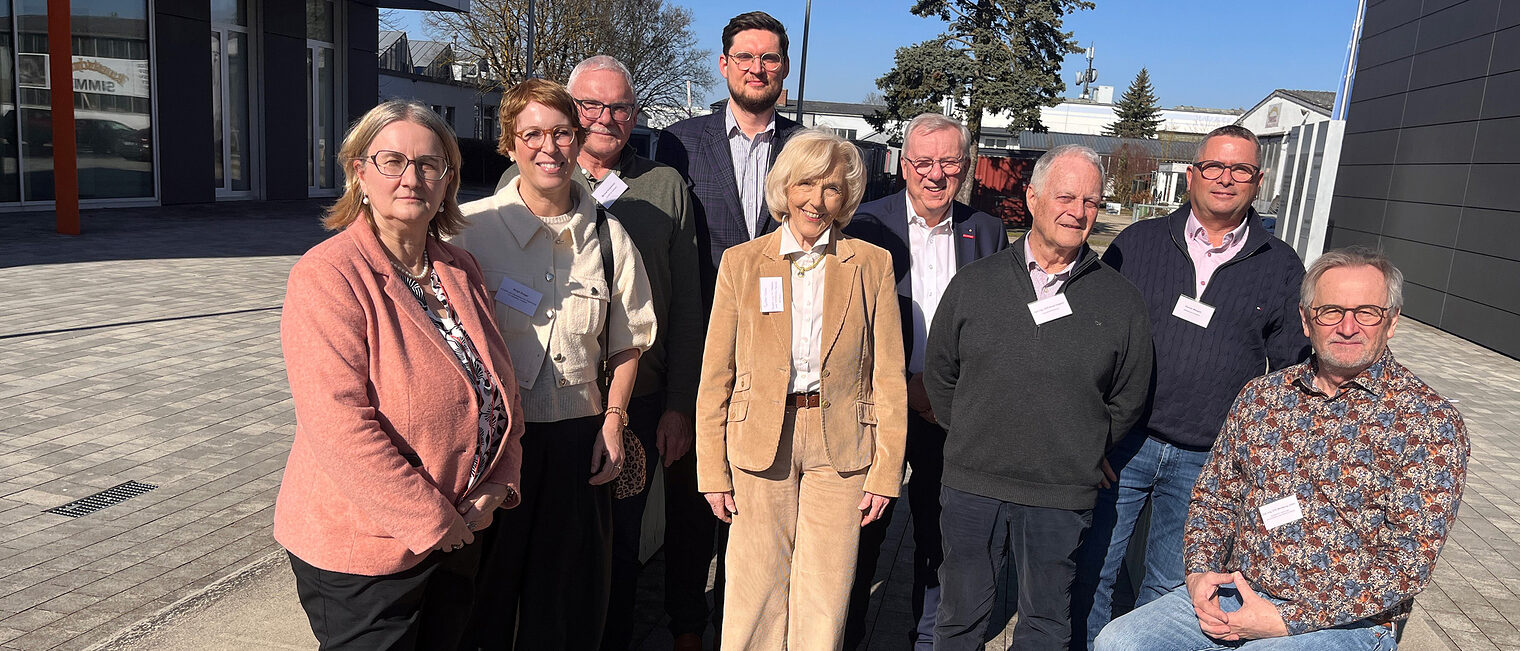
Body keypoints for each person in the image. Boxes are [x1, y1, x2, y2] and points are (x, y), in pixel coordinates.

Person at [1095, 246, 1469, 651]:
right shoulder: (1264, 396)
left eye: (1366, 312)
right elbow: (1214, 496)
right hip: (1239, 591)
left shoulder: (1428, 422)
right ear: (1306, 321)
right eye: (1331, 311)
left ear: (1391, 321)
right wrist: (1201, 572)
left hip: (1347, 622)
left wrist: (1285, 620)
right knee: (1120, 640)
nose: (1347, 326)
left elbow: (1408, 560)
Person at [274, 99, 524, 650]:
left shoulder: (458, 267)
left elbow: (501, 389)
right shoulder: (328, 275)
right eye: (392, 161)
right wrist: (435, 521)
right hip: (368, 547)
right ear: (359, 173)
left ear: (448, 182)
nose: (412, 178)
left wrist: (500, 482)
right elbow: (339, 427)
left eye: (430, 164)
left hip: (461, 530)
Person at [494, 55, 703, 651]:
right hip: (538, 401)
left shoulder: (665, 188)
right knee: (530, 548)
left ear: (635, 115)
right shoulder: (521, 182)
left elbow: (688, 307)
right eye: (590, 105)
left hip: (635, 400)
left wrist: (678, 406)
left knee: (614, 550)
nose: (605, 118)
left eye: (619, 107)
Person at [1074, 124, 1311, 649]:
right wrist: (1095, 434)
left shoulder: (1280, 264)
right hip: (1125, 446)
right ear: (1191, 174)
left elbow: (1294, 368)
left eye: (1240, 170)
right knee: (1094, 570)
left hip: (1209, 459)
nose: (1225, 179)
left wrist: (1265, 460)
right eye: (1214, 167)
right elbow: (1093, 337)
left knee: (1172, 588)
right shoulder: (1138, 243)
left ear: (1258, 180)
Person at [453, 78, 657, 650]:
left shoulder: (610, 237)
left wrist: (614, 422)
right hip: (493, 446)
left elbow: (627, 342)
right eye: (533, 134)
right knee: (483, 601)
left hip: (577, 443)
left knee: (565, 604)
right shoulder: (468, 230)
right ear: (509, 144)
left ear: (579, 138)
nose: (550, 147)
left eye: (562, 133)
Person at [923, 144, 1153, 650]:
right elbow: (941, 372)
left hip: (1060, 491)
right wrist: (970, 430)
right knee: (959, 617)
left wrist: (1084, 444)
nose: (1078, 211)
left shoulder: (1120, 300)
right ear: (1032, 198)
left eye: (1091, 201)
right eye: (1065, 196)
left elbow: (1129, 394)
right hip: (973, 483)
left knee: (1046, 624)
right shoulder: (974, 283)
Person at [696, 129, 907, 650]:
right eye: (807, 184)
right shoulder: (741, 263)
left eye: (832, 188)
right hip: (760, 439)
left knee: (827, 589)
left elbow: (888, 377)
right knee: (754, 587)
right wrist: (711, 470)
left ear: (846, 198)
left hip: (843, 446)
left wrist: (886, 471)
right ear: (785, 187)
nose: (817, 199)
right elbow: (715, 373)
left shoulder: (872, 263)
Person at [654, 11, 803, 648]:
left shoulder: (805, 148)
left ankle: (751, 628)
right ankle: (687, 627)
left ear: (785, 69)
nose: (757, 68)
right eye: (745, 57)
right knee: (693, 497)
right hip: (701, 339)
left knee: (762, 501)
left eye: (769, 58)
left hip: (781, 349)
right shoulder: (679, 143)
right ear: (724, 66)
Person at [842, 112, 1008, 650]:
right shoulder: (866, 225)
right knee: (862, 539)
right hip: (876, 410)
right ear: (903, 164)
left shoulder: (986, 231)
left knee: (940, 544)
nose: (935, 174)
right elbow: (846, 328)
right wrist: (904, 385)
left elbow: (998, 323)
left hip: (950, 414)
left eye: (949, 162)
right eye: (922, 162)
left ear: (965, 166)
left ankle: (926, 640)